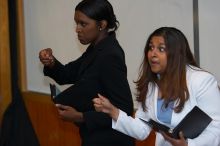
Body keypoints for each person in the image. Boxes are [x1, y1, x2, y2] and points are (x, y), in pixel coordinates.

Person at [93, 27, 220, 146]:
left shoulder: (201, 80)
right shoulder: (151, 84)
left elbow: (216, 126)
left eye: (161, 49)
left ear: (176, 53)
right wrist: (113, 111)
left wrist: (189, 145)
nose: (152, 54)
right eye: (151, 48)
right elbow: (142, 130)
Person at [38, 0, 134, 146]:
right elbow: (67, 74)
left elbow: (124, 109)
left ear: (102, 25)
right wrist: (51, 62)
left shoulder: (110, 55)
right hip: (95, 137)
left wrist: (81, 117)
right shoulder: (95, 49)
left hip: (111, 140)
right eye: (76, 23)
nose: (77, 29)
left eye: (83, 24)